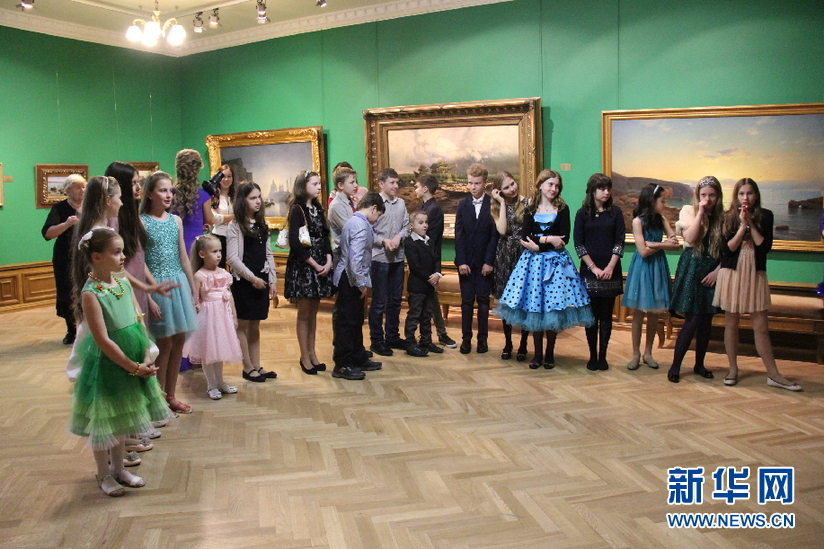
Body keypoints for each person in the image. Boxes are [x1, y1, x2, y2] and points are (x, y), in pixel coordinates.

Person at [68, 228, 169, 497]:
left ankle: (119, 468)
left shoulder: (122, 281)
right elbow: (103, 340)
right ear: (97, 257)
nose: (123, 257)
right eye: (116, 252)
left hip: (134, 358)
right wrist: (132, 367)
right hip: (111, 365)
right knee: (105, 421)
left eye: (122, 251)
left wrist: (145, 354)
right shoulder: (92, 293)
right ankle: (103, 473)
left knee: (123, 417)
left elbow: (138, 319)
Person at [495, 170, 594, 369]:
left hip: (556, 265)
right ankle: (537, 354)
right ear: (540, 185)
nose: (553, 189)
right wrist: (549, 239)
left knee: (553, 309)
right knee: (536, 308)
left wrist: (540, 244)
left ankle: (549, 353)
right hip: (532, 265)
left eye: (557, 185)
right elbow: (525, 237)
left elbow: (563, 238)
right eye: (550, 184)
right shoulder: (530, 208)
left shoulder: (563, 208)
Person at [713, 178, 801, 391]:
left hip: (755, 272)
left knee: (761, 326)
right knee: (731, 323)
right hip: (732, 272)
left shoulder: (766, 215)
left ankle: (774, 374)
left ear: (756, 195)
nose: (746, 198)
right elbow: (728, 249)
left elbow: (763, 246)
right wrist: (742, 225)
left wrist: (751, 223)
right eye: (742, 193)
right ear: (736, 196)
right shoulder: (727, 217)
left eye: (750, 193)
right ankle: (732, 369)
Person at [140, 171, 199, 414]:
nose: (168, 195)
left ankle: (171, 395)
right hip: (158, 286)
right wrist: (151, 291)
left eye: (170, 191)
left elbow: (184, 257)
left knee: (178, 342)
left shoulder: (175, 220)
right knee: (163, 344)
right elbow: (140, 260)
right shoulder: (142, 221)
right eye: (162, 190)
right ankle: (158, 398)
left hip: (179, 284)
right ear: (150, 194)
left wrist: (194, 290)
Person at [667, 176, 724, 383]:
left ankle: (699, 364)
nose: (707, 200)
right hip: (692, 266)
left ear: (718, 197)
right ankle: (675, 366)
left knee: (707, 320)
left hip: (712, 269)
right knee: (692, 320)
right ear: (697, 196)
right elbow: (690, 238)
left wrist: (718, 271)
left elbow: (728, 250)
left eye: (712, 195)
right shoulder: (688, 211)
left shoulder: (723, 218)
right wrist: (700, 213)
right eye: (703, 195)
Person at [623, 184, 681, 371]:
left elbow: (675, 244)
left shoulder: (661, 219)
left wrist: (655, 244)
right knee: (639, 313)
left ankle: (648, 353)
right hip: (642, 268)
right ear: (651, 200)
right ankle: (635, 353)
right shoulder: (637, 222)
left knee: (654, 313)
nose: (664, 204)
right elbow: (643, 251)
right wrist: (663, 244)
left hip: (657, 267)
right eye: (662, 200)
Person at [227, 182, 278, 383]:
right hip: (244, 282)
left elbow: (268, 253)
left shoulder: (261, 224)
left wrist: (272, 280)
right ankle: (247, 366)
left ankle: (257, 365)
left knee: (256, 325)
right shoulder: (235, 226)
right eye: (252, 198)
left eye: (259, 197)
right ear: (243, 200)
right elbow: (233, 258)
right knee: (243, 325)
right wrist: (252, 278)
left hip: (261, 279)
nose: (258, 201)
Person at [284, 171, 335, 375]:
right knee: (304, 313)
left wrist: (329, 260)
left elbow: (325, 236)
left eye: (319, 183)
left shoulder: (318, 208)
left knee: (313, 313)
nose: (319, 187)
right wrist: (314, 263)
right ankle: (304, 356)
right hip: (305, 266)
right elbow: (295, 242)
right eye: (314, 184)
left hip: (321, 263)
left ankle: (313, 353)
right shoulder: (297, 209)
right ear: (303, 186)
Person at [573, 173, 625, 371]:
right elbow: (578, 244)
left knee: (606, 316)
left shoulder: (616, 213)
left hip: (611, 270)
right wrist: (594, 267)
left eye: (608, 188)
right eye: (602, 188)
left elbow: (619, 242)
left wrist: (610, 267)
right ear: (592, 190)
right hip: (590, 271)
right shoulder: (582, 214)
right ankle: (592, 356)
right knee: (591, 317)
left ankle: (603, 356)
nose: (606, 192)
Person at [332, 192, 385, 380]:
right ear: (374, 208)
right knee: (347, 322)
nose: (377, 219)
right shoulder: (361, 226)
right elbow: (355, 259)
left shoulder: (355, 221)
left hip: (350, 278)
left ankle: (357, 356)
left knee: (354, 320)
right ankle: (343, 364)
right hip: (350, 279)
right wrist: (361, 283)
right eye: (379, 215)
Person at [182, 234, 242, 399]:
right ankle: (211, 385)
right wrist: (196, 310)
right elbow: (195, 298)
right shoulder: (199, 276)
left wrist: (234, 316)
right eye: (214, 251)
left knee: (219, 350)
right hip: (208, 318)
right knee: (209, 353)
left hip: (222, 317)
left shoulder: (223, 273)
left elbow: (229, 296)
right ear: (202, 254)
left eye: (220, 251)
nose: (218, 255)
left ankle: (220, 382)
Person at [454, 163, 499, 354]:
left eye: (477, 183)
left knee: (483, 301)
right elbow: (459, 235)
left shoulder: (492, 204)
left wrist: (489, 262)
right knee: (466, 302)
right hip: (466, 263)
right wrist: (462, 261)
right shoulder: (462, 205)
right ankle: (466, 339)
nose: (473, 187)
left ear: (485, 183)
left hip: (484, 263)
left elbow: (494, 236)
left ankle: (482, 340)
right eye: (470, 183)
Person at [368, 168, 410, 356]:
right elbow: (368, 230)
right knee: (378, 302)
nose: (396, 186)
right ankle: (376, 340)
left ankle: (392, 336)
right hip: (379, 259)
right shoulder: (373, 203)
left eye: (397, 182)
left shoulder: (401, 203)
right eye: (392, 182)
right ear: (381, 184)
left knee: (395, 300)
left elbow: (406, 226)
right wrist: (383, 241)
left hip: (397, 259)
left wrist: (399, 237)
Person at [490, 170, 530, 361]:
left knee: (525, 301)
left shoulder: (528, 203)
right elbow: (502, 230)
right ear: (499, 191)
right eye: (506, 187)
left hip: (524, 254)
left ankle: (524, 344)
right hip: (505, 256)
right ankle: (508, 343)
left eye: (512, 184)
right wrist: (503, 203)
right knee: (506, 303)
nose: (512, 189)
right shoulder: (497, 207)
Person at [42, 174, 86, 344]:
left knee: (87, 291)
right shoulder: (60, 208)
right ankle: (71, 330)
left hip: (86, 257)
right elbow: (48, 234)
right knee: (67, 293)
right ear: (68, 190)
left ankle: (88, 329)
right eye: (77, 187)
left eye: (83, 187)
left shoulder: (89, 207)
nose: (82, 190)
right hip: (65, 258)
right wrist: (66, 224)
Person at [415, 175, 457, 348]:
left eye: (417, 186)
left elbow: (430, 240)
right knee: (425, 300)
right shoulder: (423, 207)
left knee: (431, 299)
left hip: (429, 262)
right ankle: (430, 335)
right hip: (420, 261)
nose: (415, 189)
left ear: (425, 188)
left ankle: (440, 334)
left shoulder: (434, 210)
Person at [403, 210, 444, 357]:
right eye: (420, 223)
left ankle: (426, 341)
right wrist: (430, 278)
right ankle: (410, 343)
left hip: (429, 286)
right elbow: (416, 266)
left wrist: (437, 274)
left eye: (426, 222)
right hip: (417, 286)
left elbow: (436, 259)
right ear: (412, 225)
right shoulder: (410, 242)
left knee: (427, 315)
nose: (425, 225)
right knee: (415, 315)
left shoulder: (429, 241)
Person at [174, 149, 209, 251]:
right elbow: (210, 220)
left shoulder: (169, 193)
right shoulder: (203, 195)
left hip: (174, 243)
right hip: (195, 243)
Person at [202, 163, 236, 269]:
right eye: (223, 176)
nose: (226, 179)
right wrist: (233, 216)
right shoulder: (213, 196)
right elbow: (213, 219)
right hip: (219, 236)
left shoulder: (236, 196)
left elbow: (242, 216)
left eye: (229, 176)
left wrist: (224, 218)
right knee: (219, 267)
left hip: (234, 236)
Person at [328, 166, 359, 250]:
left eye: (355, 182)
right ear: (341, 185)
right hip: (343, 252)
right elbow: (352, 230)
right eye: (351, 182)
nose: (356, 185)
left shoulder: (352, 202)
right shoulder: (336, 205)